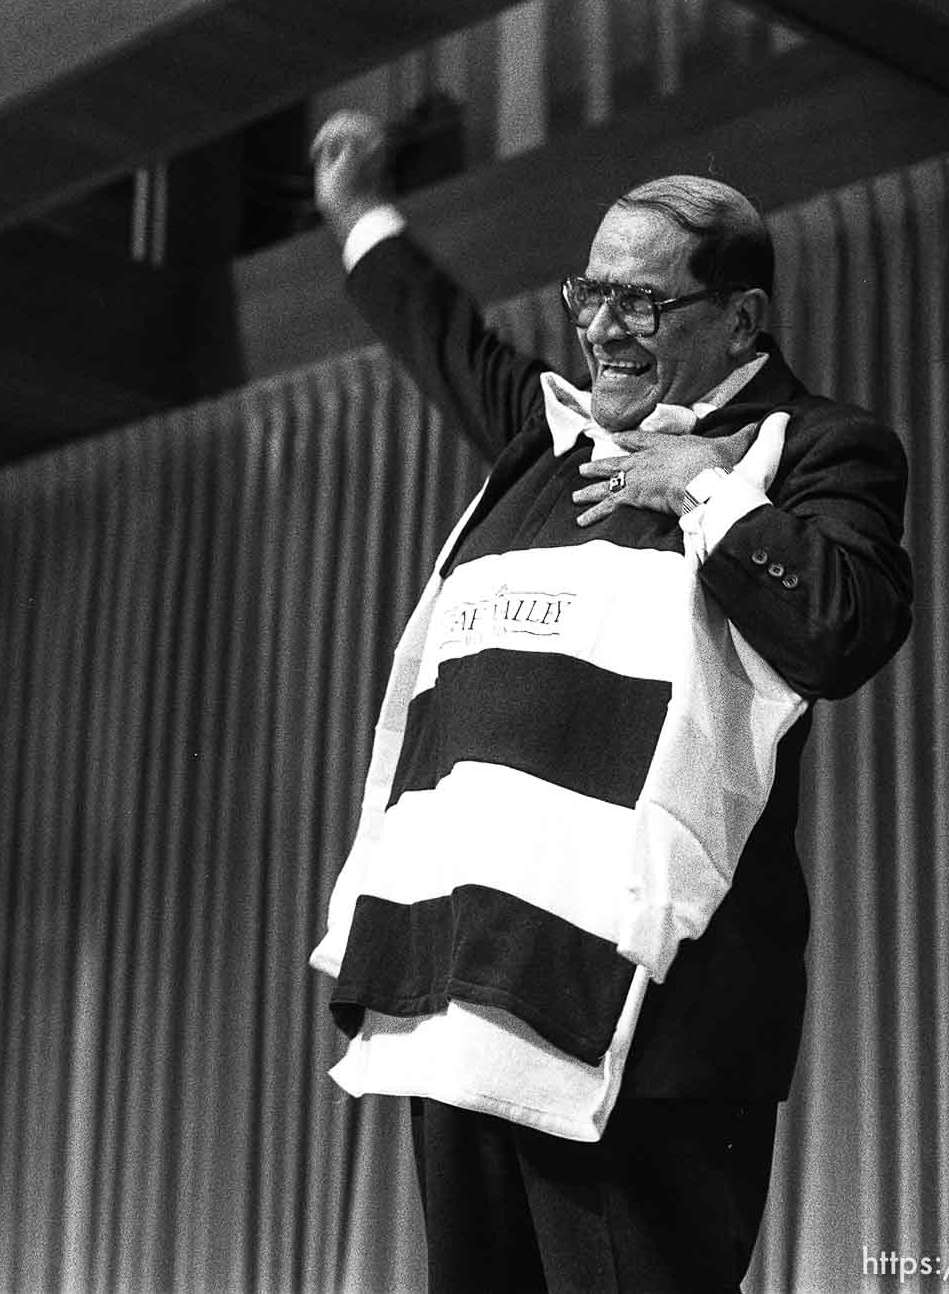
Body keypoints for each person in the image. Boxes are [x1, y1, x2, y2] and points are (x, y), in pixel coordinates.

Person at [307, 111, 913, 1291]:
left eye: (643, 302)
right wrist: (357, 213)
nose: (601, 329)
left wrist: (714, 497)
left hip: (655, 1032)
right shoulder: (550, 442)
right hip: (469, 993)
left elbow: (845, 627)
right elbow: (441, 338)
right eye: (590, 295)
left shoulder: (814, 448)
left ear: (741, 316)